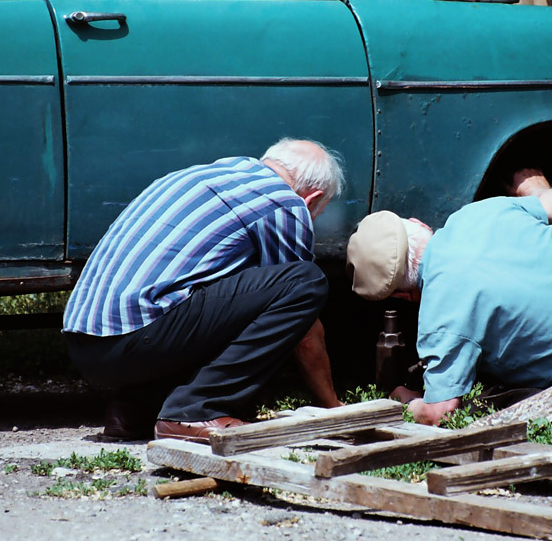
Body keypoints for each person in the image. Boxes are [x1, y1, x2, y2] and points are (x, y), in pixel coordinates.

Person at [345, 169, 552, 426]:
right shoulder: (476, 214)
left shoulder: (440, 322)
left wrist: (403, 399)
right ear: (418, 224)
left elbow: (440, 413)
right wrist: (530, 181)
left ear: (405, 295)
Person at [63, 139, 345, 442]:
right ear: (312, 199)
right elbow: (303, 326)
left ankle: (134, 410)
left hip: (84, 345)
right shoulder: (283, 201)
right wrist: (332, 406)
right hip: (135, 340)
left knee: (217, 293)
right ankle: (195, 410)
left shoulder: (202, 175)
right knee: (304, 282)